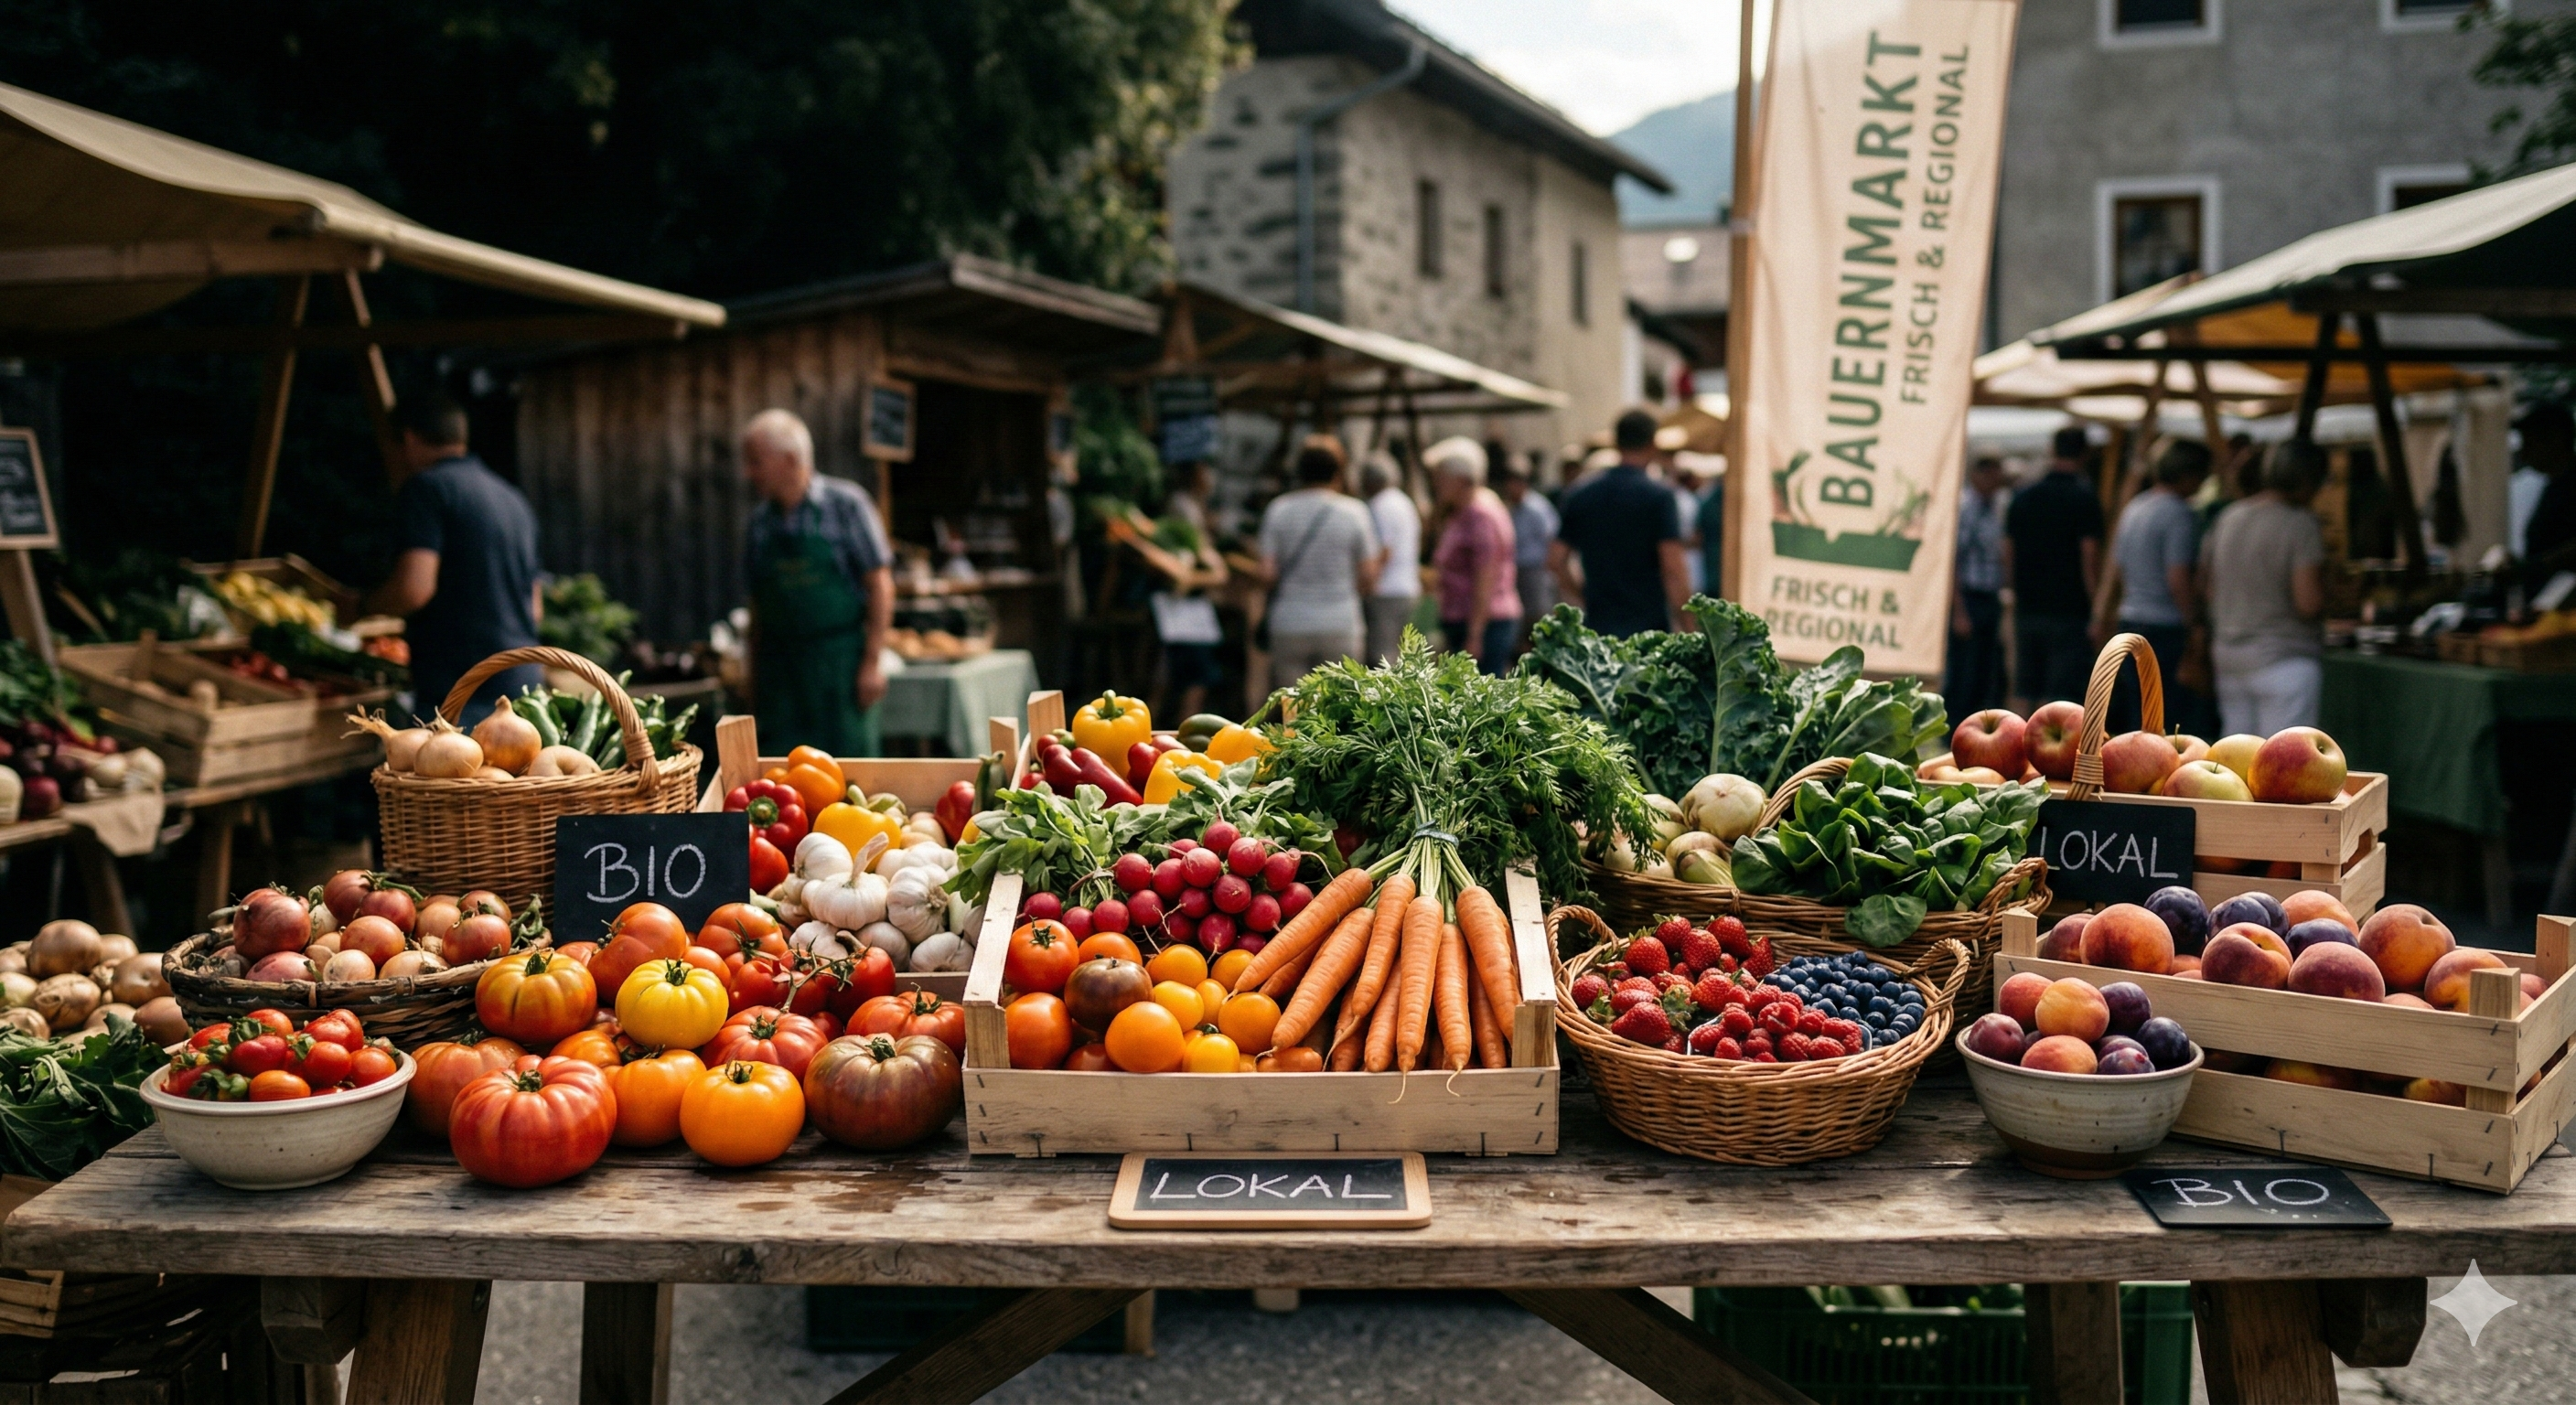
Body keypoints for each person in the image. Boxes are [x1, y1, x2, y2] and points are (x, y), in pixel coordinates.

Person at [366, 392, 542, 725]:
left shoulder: (426, 489)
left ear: (408, 438)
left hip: (462, 688)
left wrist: (361, 607)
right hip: (523, 683)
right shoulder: (512, 499)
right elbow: (535, 607)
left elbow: (414, 588)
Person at [739, 408, 895, 757]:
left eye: (755, 462)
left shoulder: (847, 506)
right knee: (781, 776)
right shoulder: (760, 524)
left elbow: (881, 586)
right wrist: (752, 678)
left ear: (790, 459)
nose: (748, 473)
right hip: (780, 674)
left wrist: (871, 664)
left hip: (839, 669)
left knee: (852, 772)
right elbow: (757, 607)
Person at [2203, 440, 2328, 735]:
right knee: (2285, 762)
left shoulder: (2229, 517)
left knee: (2236, 759)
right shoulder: (2300, 524)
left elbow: (2207, 588)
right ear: (2309, 480)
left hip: (2228, 654)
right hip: (2282, 657)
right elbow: (2307, 602)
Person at [1551, 411, 1690, 637]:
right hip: (1648, 631)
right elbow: (1672, 567)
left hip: (1600, 625)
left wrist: (1583, 594)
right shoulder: (1660, 497)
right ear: (1653, 444)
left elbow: (1555, 560)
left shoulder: (1580, 494)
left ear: (1615, 443)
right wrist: (1689, 625)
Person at [2107, 439, 2212, 733]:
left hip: (2131, 618)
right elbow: (2178, 577)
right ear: (2190, 474)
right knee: (2167, 719)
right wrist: (2194, 623)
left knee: (2136, 714)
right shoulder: (2180, 514)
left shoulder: (2135, 507)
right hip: (2166, 627)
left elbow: (2120, 566)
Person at [1256, 434, 1379, 681]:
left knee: (1294, 708)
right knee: (1340, 707)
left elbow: (1267, 574)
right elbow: (1369, 576)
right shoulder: (1355, 513)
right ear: (1338, 472)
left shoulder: (1278, 510)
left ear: (1300, 471)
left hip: (1289, 623)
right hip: (1341, 623)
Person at [2004, 425, 2106, 709]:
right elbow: (2090, 557)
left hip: (2029, 603)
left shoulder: (2023, 496)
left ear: (2052, 450)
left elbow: (2007, 550)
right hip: (2069, 607)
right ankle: (2053, 754)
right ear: (2085, 454)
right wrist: (2096, 608)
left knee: (2025, 687)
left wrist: (2014, 589)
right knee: (2061, 694)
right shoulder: (2085, 498)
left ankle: (2017, 748)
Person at [1425, 437, 1520, 674]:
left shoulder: (1480, 516)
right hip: (1466, 619)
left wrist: (1475, 635)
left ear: (1462, 479)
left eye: (1441, 478)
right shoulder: (1462, 511)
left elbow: (1485, 576)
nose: (1436, 484)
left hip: (1483, 623)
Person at [1157, 460, 1228, 718]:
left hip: (1187, 606)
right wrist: (1213, 569)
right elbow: (1201, 560)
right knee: (1192, 676)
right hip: (1183, 608)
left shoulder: (1193, 506)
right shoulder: (1183, 507)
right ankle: (1185, 731)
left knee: (1175, 676)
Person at [1946, 456, 2010, 718]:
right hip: (1968, 597)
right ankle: (1956, 723)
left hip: (1989, 595)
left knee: (1986, 668)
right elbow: (1953, 561)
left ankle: (1980, 720)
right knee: (1964, 670)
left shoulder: (1998, 506)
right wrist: (1959, 611)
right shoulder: (1965, 508)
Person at [1358, 455, 1419, 664]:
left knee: (1382, 657)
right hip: (1407, 588)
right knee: (1399, 655)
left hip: (1386, 591)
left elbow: (1384, 551)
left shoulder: (1380, 505)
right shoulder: (1404, 502)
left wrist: (1366, 583)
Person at [1496, 459, 1558, 647]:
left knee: (1538, 616)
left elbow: (1552, 540)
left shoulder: (1537, 508)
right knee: (1520, 620)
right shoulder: (1508, 508)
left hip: (1535, 570)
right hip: (1515, 570)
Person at [2515, 402, 2576, 591]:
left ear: (2555, 439)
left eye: (2529, 443)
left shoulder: (2569, 485)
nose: (2523, 454)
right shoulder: (2554, 485)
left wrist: (2536, 566)